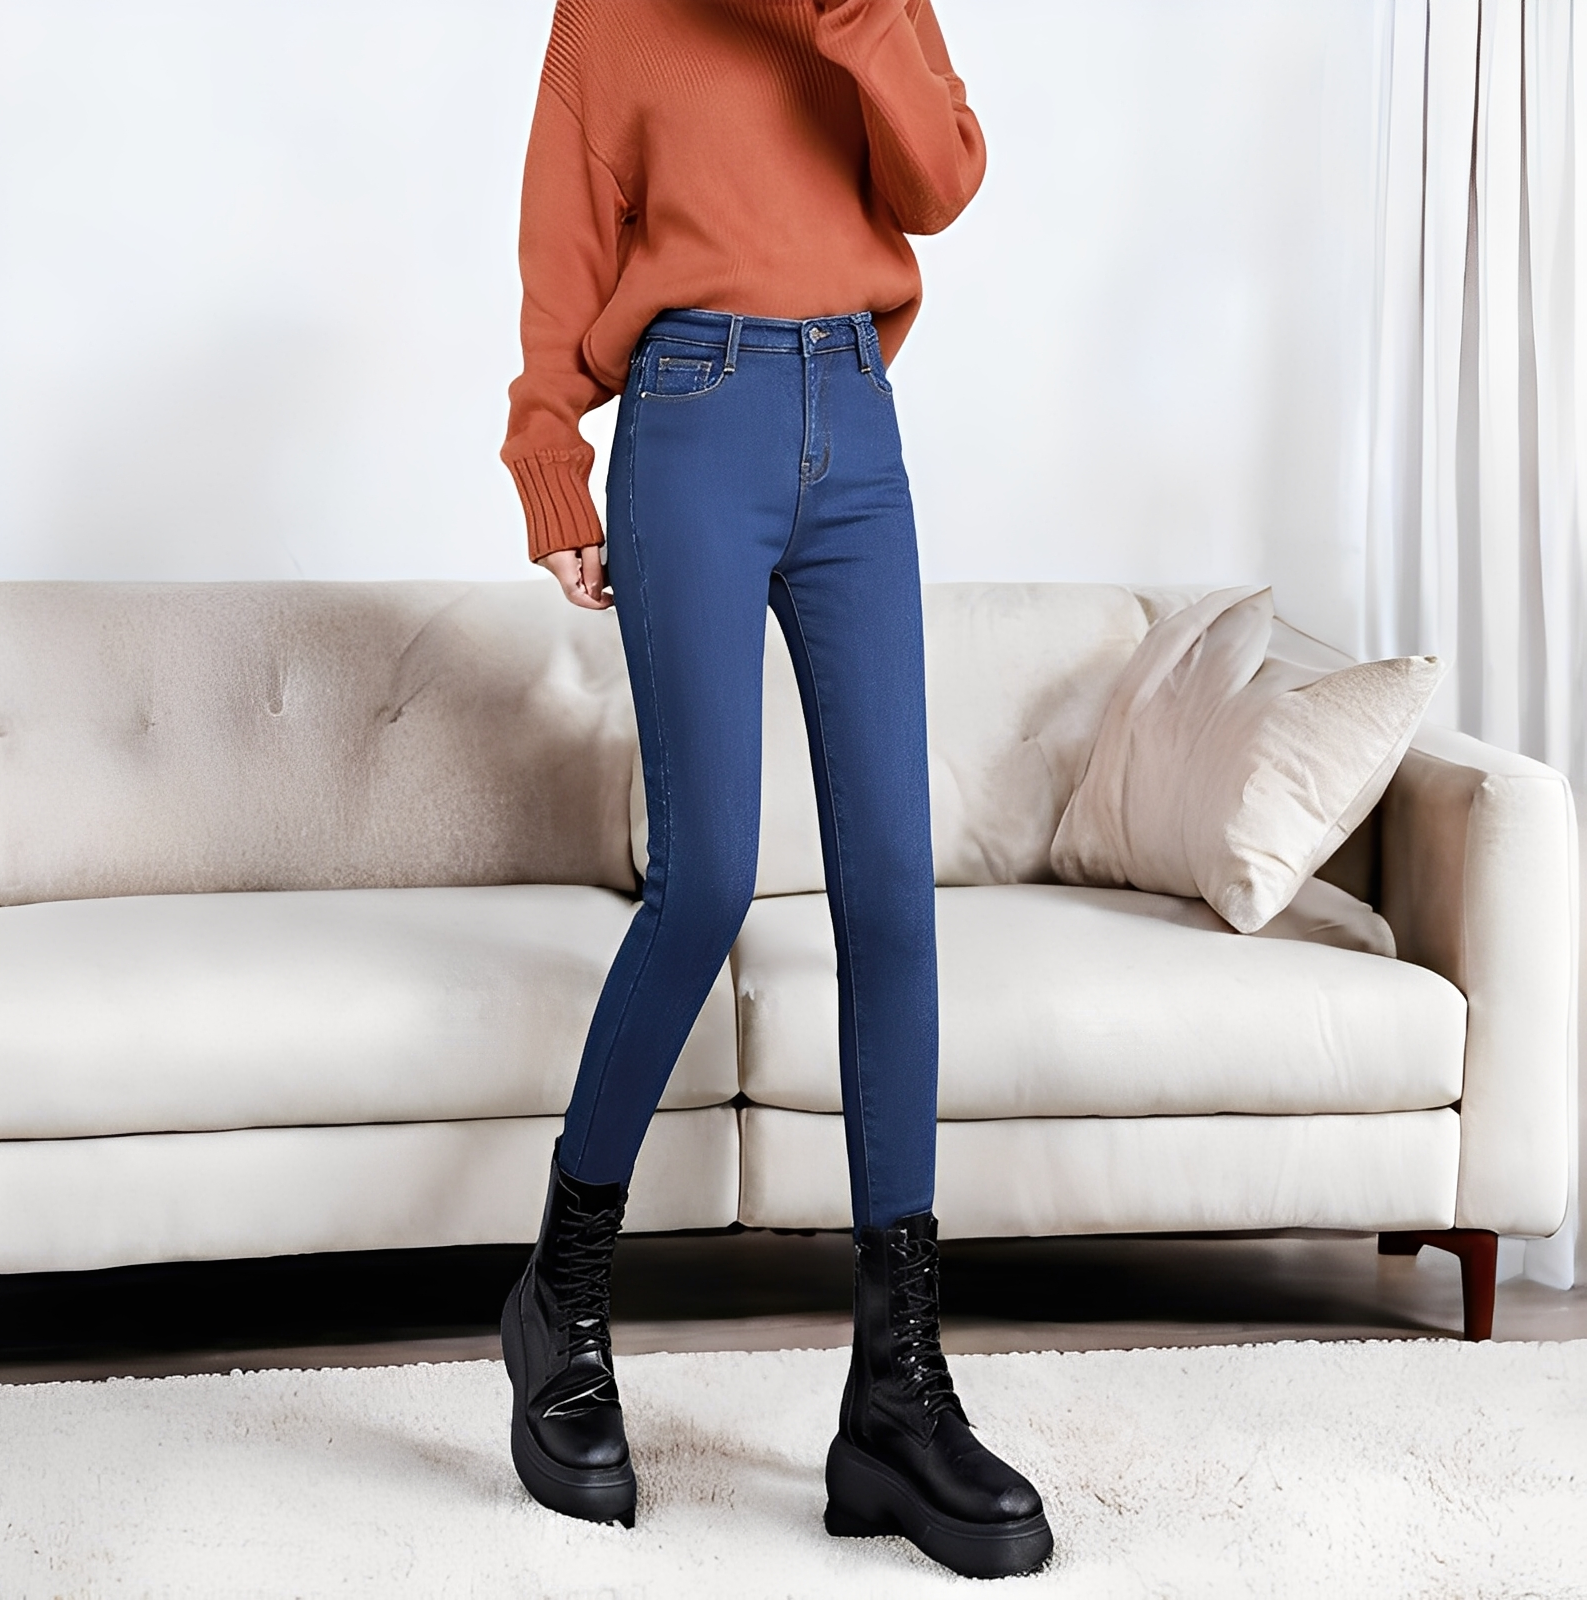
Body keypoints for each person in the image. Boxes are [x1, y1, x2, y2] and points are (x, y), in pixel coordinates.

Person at [496, 0, 1051, 1579]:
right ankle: (560, 1299)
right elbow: (561, 238)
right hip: (691, 415)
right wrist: (550, 453)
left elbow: (940, 180)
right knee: (709, 881)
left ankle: (894, 1397)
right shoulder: (609, 15)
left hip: (855, 426)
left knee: (893, 896)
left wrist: (857, 16)